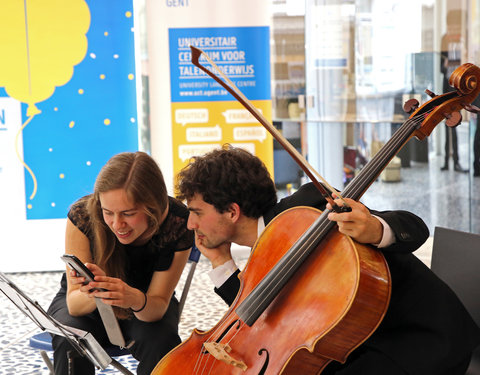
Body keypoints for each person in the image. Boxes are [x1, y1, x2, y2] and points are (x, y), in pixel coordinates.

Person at [175, 145, 480, 375]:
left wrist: (374, 229)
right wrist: (219, 261)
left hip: (417, 338)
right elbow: (260, 322)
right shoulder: (262, 249)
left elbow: (414, 228)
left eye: (197, 213)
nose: (191, 224)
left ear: (232, 211)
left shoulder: (307, 208)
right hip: (351, 343)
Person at [48, 151, 193, 375]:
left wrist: (132, 297)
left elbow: (157, 306)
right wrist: (98, 291)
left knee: (161, 341)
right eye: (108, 213)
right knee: (71, 338)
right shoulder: (82, 216)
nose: (117, 224)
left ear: (153, 207)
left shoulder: (177, 223)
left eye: (128, 213)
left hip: (146, 301)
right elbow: (75, 305)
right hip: (87, 305)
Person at [440, 10, 468, 173]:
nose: (453, 28)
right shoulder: (444, 39)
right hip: (446, 86)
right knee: (445, 124)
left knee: (455, 123)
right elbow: (439, 65)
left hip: (458, 87)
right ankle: (445, 160)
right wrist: (444, 64)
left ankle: (456, 160)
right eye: (451, 24)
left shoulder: (463, 39)